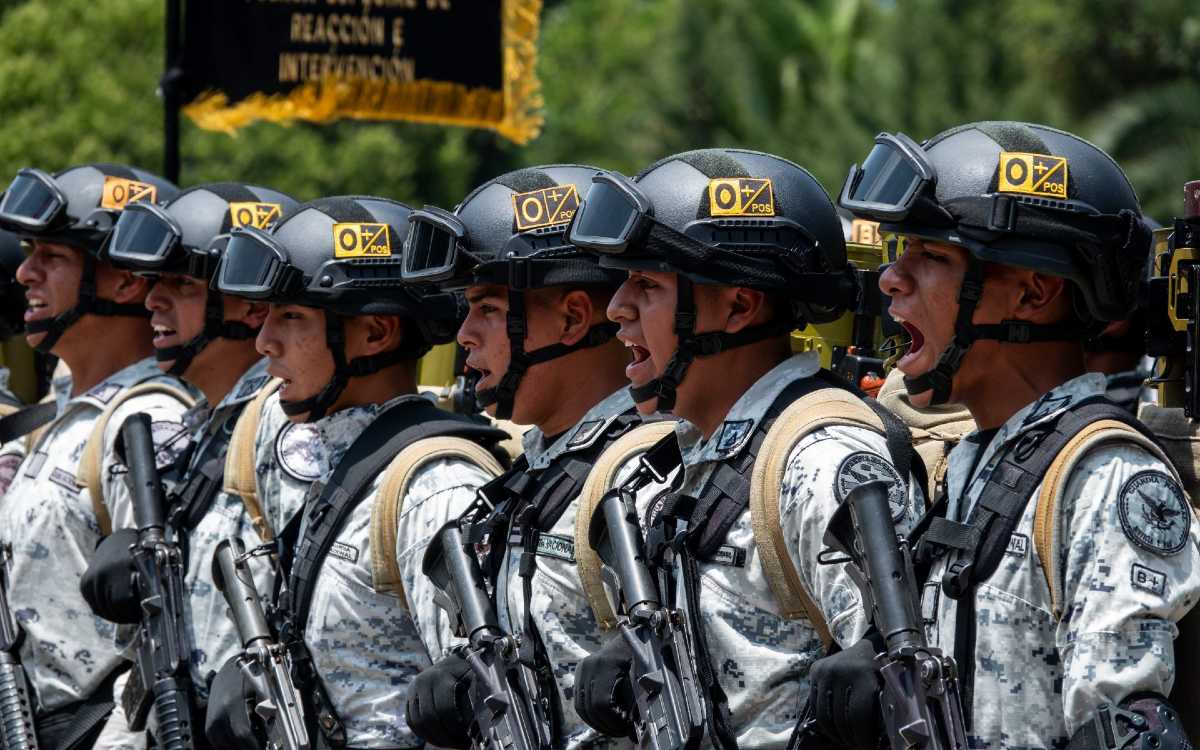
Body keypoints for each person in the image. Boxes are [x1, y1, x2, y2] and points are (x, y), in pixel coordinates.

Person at [812, 121, 1200, 750]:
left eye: (931, 257)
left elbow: (1122, 731)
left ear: (1034, 293)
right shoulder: (976, 461)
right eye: (900, 251)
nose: (891, 278)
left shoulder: (1102, 478)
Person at [568, 148, 923, 749]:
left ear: (737, 305)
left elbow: (904, 687)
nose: (616, 309)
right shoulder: (684, 460)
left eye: (647, 284)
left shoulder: (820, 460)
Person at [203, 195, 509, 749]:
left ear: (375, 334)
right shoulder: (326, 462)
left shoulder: (431, 486)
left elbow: (485, 708)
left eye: (291, 317)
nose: (263, 340)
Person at [401, 165, 668, 750]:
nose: (464, 334)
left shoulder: (646, 477)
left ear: (573, 318)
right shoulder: (539, 471)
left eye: (489, 309)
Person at [78, 182, 299, 747]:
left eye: (181, 284)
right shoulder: (216, 424)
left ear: (250, 304)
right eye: (155, 283)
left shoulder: (282, 433)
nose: (152, 300)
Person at [0, 163, 188, 750]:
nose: (25, 272)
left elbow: (170, 644)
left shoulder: (151, 425)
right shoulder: (56, 420)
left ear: (128, 282)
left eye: (51, 256)